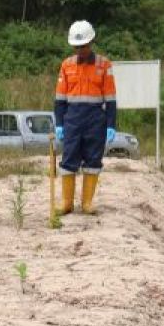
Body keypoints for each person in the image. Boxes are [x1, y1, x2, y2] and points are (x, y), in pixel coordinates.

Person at [53, 20, 116, 215]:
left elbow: (111, 99)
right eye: (77, 47)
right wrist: (60, 123)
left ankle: (87, 202)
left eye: (84, 46)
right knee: (69, 158)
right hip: (72, 118)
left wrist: (110, 125)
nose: (81, 50)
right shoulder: (66, 65)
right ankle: (66, 202)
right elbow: (59, 99)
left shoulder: (104, 64)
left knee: (93, 159)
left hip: (96, 119)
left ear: (92, 42)